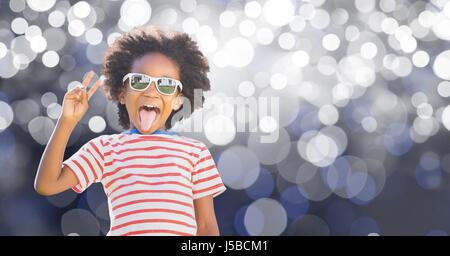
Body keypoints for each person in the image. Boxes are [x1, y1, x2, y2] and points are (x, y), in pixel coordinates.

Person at [34, 26, 226, 236]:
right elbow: (47, 185)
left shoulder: (195, 153)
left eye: (166, 85)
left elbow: (206, 226)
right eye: (140, 81)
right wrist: (66, 121)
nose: (152, 91)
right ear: (122, 93)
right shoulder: (105, 149)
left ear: (178, 101)